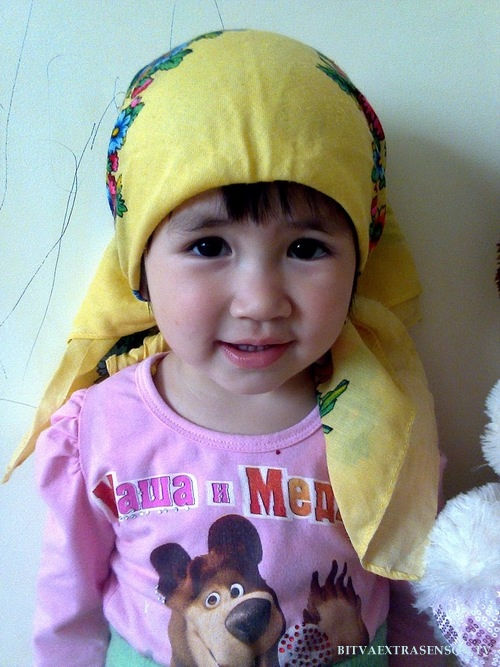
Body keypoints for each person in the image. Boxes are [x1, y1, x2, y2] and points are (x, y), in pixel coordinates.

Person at [6, 30, 443, 666]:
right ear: (139, 267)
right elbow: (65, 608)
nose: (260, 301)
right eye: (209, 246)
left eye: (305, 249)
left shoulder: (385, 423)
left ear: (360, 263)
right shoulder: (99, 430)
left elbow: (419, 593)